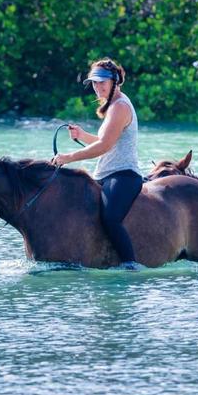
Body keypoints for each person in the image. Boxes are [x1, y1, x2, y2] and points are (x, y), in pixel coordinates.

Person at [51, 58, 143, 267]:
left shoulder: (120, 107)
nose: (97, 87)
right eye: (94, 82)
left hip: (124, 175)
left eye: (102, 82)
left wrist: (68, 158)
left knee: (111, 218)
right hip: (104, 174)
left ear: (115, 81)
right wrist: (82, 135)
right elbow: (106, 141)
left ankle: (130, 265)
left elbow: (103, 146)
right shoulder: (113, 105)